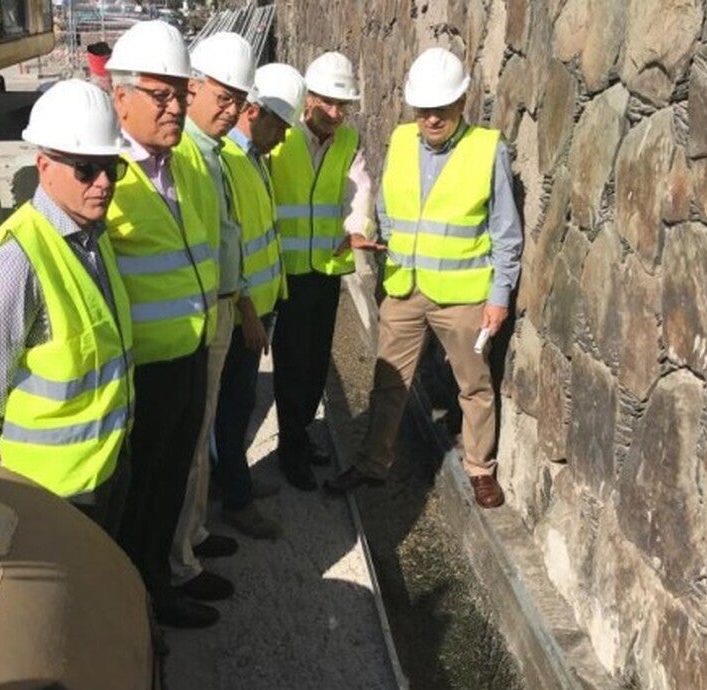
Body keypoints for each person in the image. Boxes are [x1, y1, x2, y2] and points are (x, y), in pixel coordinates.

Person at [324, 47, 523, 509]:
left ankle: (480, 469)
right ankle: (373, 463)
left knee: (473, 385)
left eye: (441, 109)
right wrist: (388, 267)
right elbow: (389, 208)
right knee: (389, 381)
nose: (431, 119)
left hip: (464, 298)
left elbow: (505, 231)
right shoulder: (401, 139)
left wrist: (499, 296)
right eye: (424, 110)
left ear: (461, 104)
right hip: (405, 290)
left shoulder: (487, 149)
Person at [0, 79, 134, 536]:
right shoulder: (18, 259)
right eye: (85, 169)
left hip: (105, 465)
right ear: (43, 166)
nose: (103, 183)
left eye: (112, 168)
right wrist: (2, 439)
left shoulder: (92, 237)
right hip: (52, 490)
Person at [104, 20, 221, 629]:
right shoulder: (104, 178)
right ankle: (136, 606)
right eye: (160, 95)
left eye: (179, 93)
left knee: (171, 481)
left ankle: (159, 586)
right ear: (120, 97)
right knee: (141, 495)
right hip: (144, 372)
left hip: (190, 353)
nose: (175, 107)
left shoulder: (181, 168)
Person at [165, 31, 255, 607]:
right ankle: (179, 564)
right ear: (193, 88)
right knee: (188, 441)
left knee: (199, 441)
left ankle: (193, 536)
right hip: (198, 317)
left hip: (219, 308)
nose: (228, 110)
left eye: (235, 100)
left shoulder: (212, 155)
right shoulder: (187, 155)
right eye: (219, 97)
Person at [267, 51, 377, 491]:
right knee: (292, 363)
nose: (335, 113)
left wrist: (355, 229)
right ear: (309, 97)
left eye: (342, 105)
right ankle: (290, 447)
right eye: (328, 102)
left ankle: (302, 433)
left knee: (316, 362)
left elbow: (360, 190)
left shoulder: (348, 141)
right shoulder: (282, 136)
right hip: (288, 270)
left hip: (327, 268)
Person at [211, 62, 307, 539]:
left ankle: (232, 479)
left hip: (261, 306)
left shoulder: (252, 159)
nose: (283, 138)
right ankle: (236, 500)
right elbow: (230, 243)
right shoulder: (227, 160)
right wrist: (248, 310)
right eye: (280, 127)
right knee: (235, 405)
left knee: (239, 402)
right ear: (255, 112)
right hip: (241, 313)